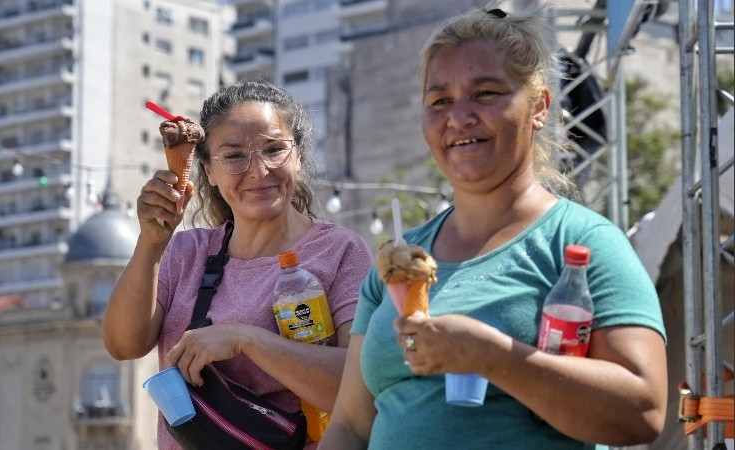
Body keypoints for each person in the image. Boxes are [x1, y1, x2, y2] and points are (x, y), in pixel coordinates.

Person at [319, 3, 667, 450]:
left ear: (539, 106)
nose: (459, 116)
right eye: (439, 101)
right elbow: (350, 426)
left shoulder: (583, 243)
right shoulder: (400, 261)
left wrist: (493, 357)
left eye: (485, 93)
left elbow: (643, 413)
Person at [102, 81, 374, 450]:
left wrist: (246, 340)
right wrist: (152, 242)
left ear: (299, 156)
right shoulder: (185, 253)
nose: (258, 171)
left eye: (274, 149)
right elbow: (123, 345)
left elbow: (360, 389)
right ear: (208, 172)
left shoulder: (339, 251)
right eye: (234, 156)